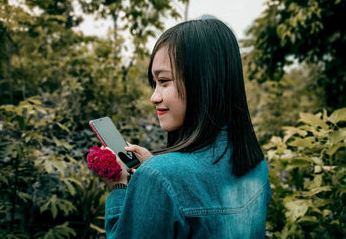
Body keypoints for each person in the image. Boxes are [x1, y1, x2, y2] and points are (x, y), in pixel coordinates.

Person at [101, 18, 272, 238]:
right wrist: (154, 166)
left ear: (202, 82)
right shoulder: (256, 164)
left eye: (164, 81)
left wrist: (118, 187)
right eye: (154, 84)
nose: (154, 97)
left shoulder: (158, 176)